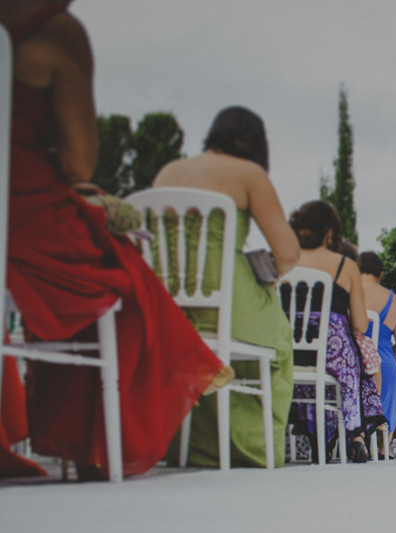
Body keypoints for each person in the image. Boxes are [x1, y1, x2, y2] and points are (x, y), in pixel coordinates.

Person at [1, 1, 232, 478]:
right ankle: (109, 438)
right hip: (17, 207)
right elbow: (78, 164)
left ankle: (186, 363)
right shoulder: (55, 33)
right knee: (124, 278)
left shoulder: (170, 171)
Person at [152, 105, 300, 468]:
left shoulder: (168, 170)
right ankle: (250, 445)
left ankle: (186, 445)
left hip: (165, 301)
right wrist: (270, 275)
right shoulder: (248, 173)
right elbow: (288, 252)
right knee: (278, 335)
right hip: (225, 293)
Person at [285, 201, 385, 463]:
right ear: (330, 232)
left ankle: (312, 432)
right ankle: (355, 436)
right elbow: (361, 326)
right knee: (361, 369)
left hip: (288, 353)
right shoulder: (345, 265)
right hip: (332, 359)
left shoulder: (283, 261)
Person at [358, 252, 396, 436]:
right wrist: (386, 353)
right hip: (384, 363)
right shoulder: (394, 301)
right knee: (392, 378)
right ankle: (383, 445)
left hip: (350, 361)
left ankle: (350, 437)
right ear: (380, 274)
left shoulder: (348, 293)